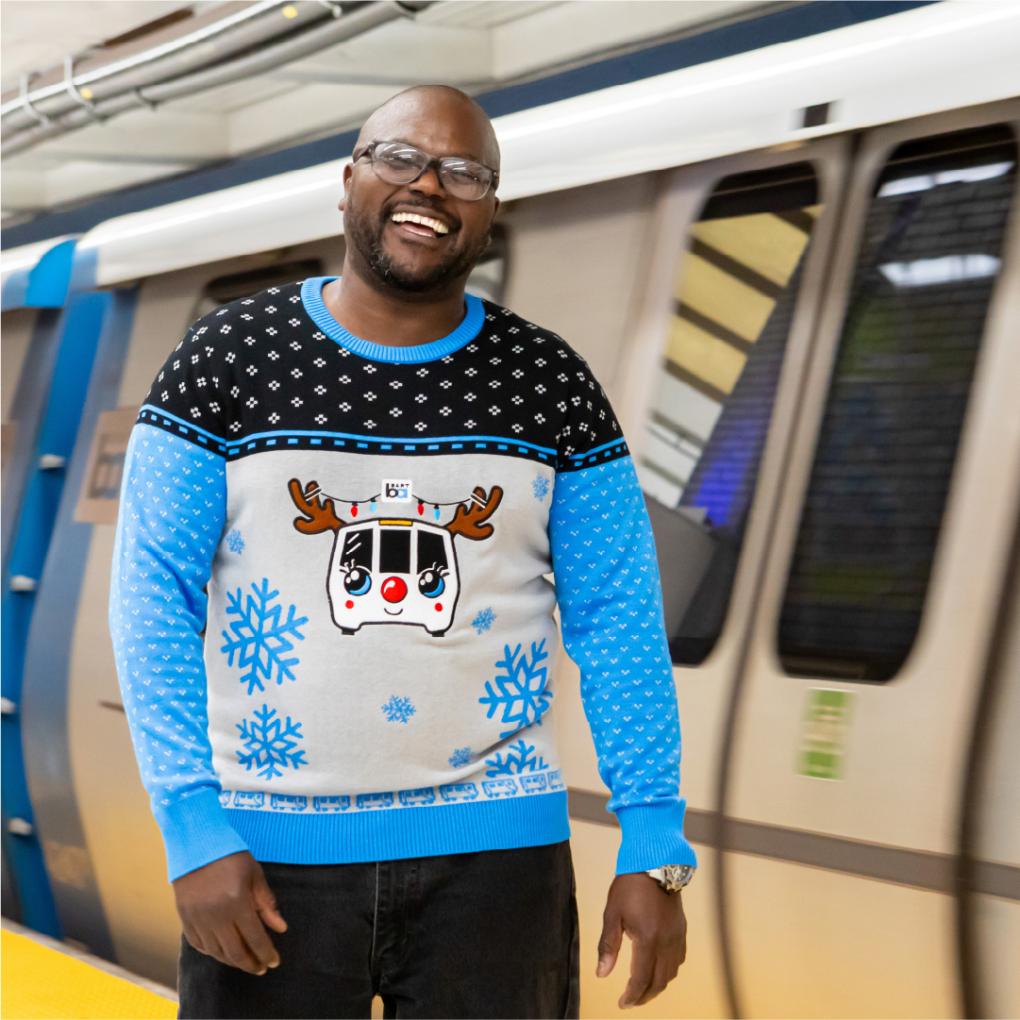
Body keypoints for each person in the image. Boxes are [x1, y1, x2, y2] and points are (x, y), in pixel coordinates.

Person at [108, 83, 697, 1020]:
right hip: (263, 862)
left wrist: (653, 840)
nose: (429, 184)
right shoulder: (222, 362)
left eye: (465, 173)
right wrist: (189, 824)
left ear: (490, 212)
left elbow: (617, 612)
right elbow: (152, 597)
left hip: (498, 868)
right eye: (399, 157)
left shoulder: (549, 385)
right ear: (347, 182)